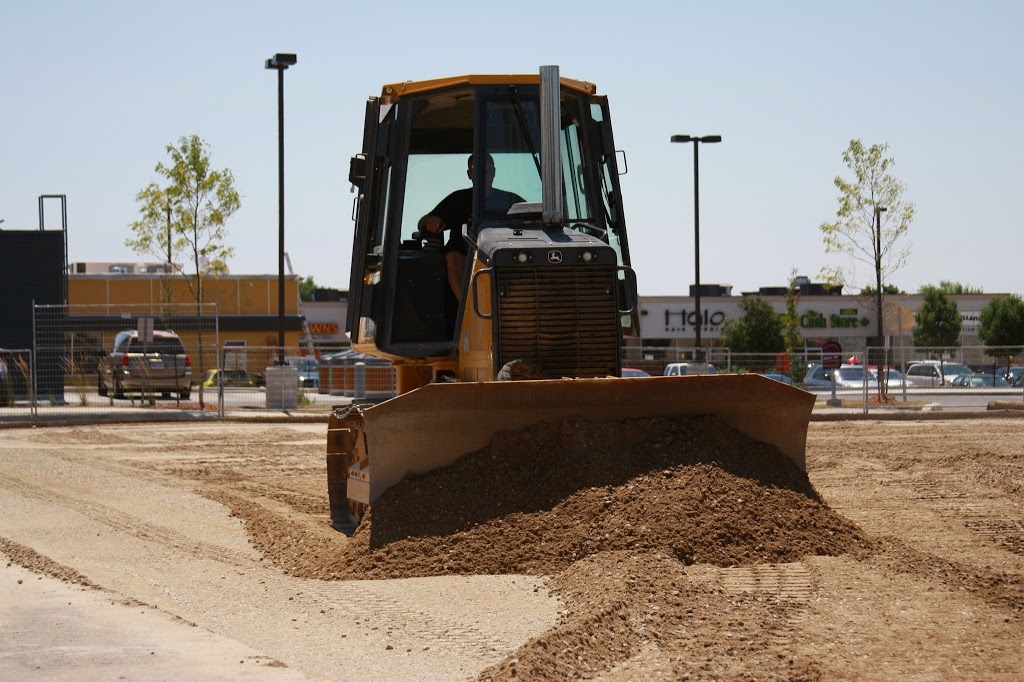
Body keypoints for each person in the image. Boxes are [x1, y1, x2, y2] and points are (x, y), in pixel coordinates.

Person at [418, 154, 525, 302]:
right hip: (465, 261)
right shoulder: (457, 200)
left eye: (486, 171)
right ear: (469, 174)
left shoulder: (510, 201)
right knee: (452, 258)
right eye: (477, 171)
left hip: (503, 258)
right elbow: (424, 221)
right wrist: (431, 220)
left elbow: (533, 218)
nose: (482, 175)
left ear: (493, 173)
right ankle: (468, 312)